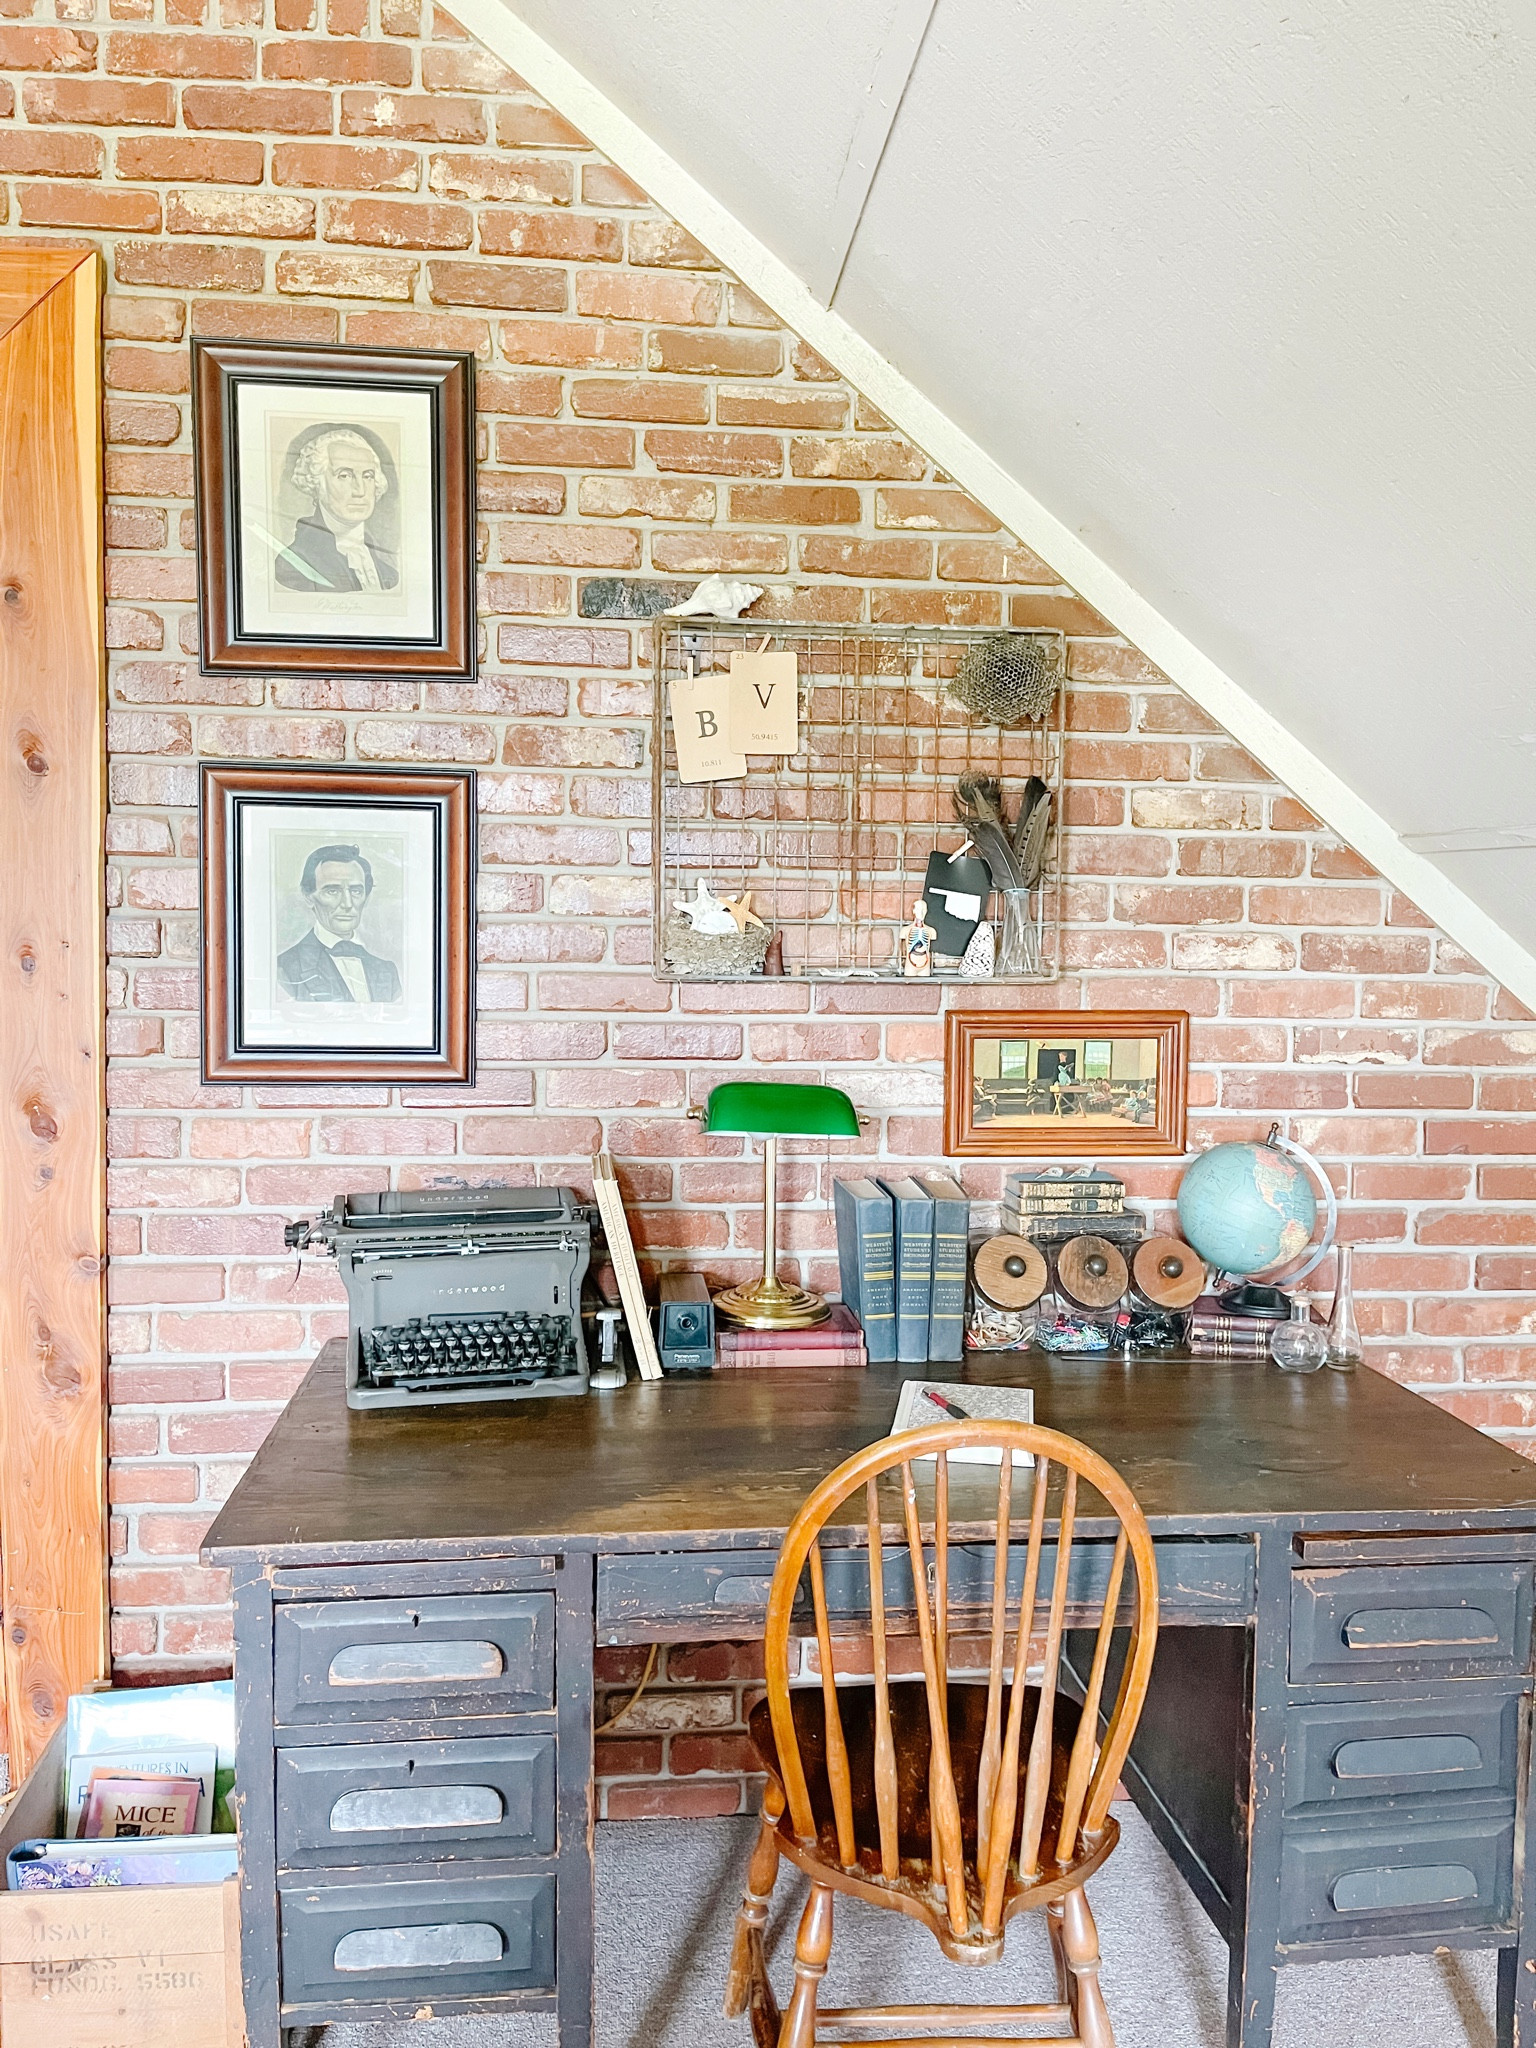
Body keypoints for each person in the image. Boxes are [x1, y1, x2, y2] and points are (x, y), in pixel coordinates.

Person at [274, 426, 399, 593]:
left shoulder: (388, 572)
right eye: (344, 475)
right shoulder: (294, 566)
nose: (360, 491)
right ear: (317, 483)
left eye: (368, 476)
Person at [277, 844, 400, 1003]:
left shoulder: (387, 971)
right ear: (308, 896)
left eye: (356, 891)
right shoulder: (283, 968)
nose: (347, 904)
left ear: (366, 897)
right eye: (332, 891)